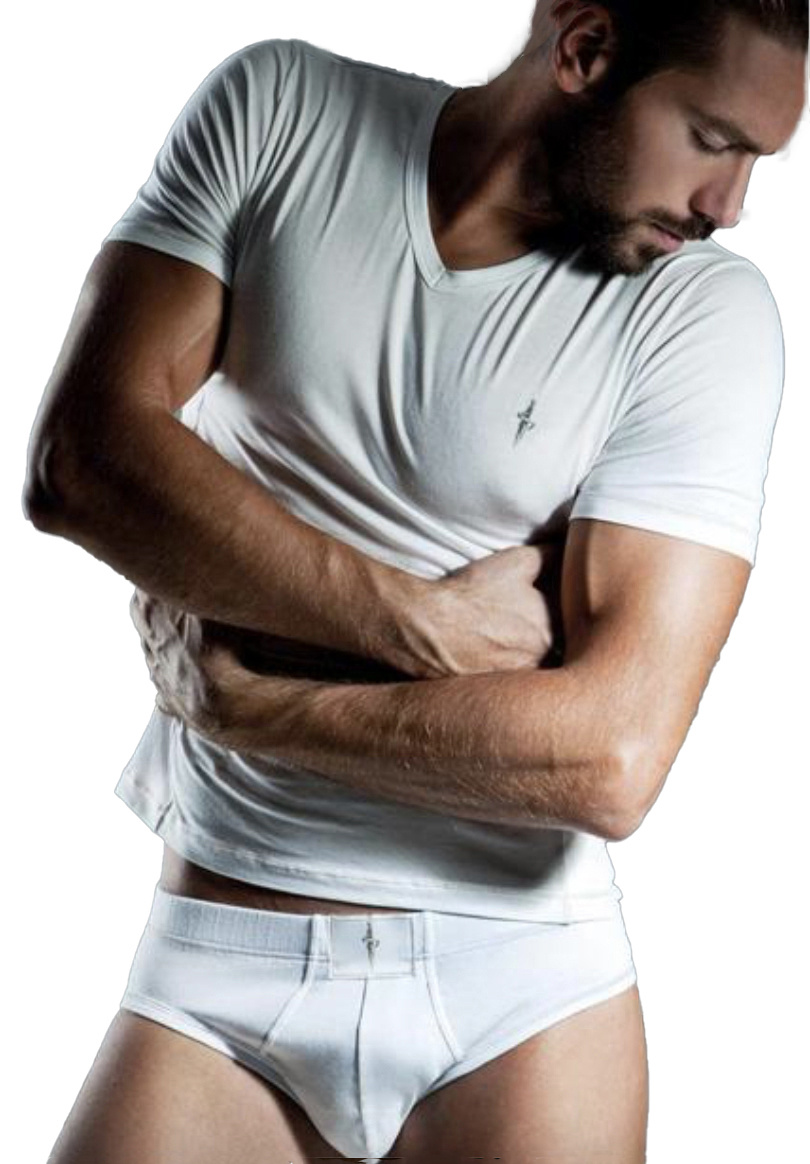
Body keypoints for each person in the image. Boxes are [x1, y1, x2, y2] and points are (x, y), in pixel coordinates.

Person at [23, 2, 806, 1161]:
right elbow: (83, 461)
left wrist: (246, 706)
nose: (728, 206)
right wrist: (422, 623)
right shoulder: (281, 111)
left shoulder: (705, 312)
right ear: (585, 51)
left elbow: (611, 760)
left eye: (758, 160)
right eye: (712, 139)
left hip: (519, 992)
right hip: (217, 961)